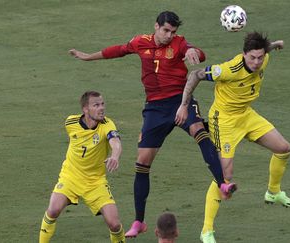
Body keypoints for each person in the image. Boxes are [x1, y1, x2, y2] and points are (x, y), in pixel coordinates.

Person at [69, 11, 236, 238]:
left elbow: (195, 52)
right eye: (166, 30)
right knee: (142, 162)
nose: (169, 35)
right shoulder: (141, 43)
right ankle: (139, 221)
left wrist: (192, 51)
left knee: (199, 131)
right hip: (155, 109)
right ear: (156, 27)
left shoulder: (179, 43)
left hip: (180, 101)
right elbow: (117, 51)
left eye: (173, 32)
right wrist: (88, 56)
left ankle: (223, 183)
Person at [175, 31, 290, 243]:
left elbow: (264, 50)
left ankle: (273, 192)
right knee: (224, 176)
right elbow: (195, 75)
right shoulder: (228, 69)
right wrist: (184, 106)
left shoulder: (263, 57)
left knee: (283, 148)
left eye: (260, 57)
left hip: (246, 115)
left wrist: (275, 44)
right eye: (252, 57)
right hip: (223, 121)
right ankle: (206, 230)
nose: (257, 62)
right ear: (243, 55)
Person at [39, 91, 125, 243]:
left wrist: (115, 156)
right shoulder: (70, 123)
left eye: (102, 104)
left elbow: (115, 142)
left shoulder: (107, 124)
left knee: (115, 224)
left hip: (95, 181)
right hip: (71, 176)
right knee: (53, 210)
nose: (101, 108)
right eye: (96, 105)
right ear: (85, 109)